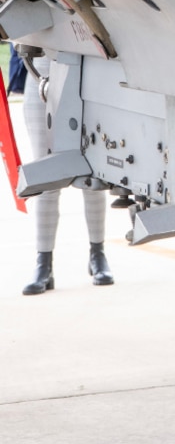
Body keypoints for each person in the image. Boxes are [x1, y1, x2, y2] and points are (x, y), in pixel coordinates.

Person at [20, 53, 114, 295]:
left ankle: (97, 254)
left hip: (83, 74)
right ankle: (44, 264)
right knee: (45, 177)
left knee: (90, 176)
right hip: (40, 73)